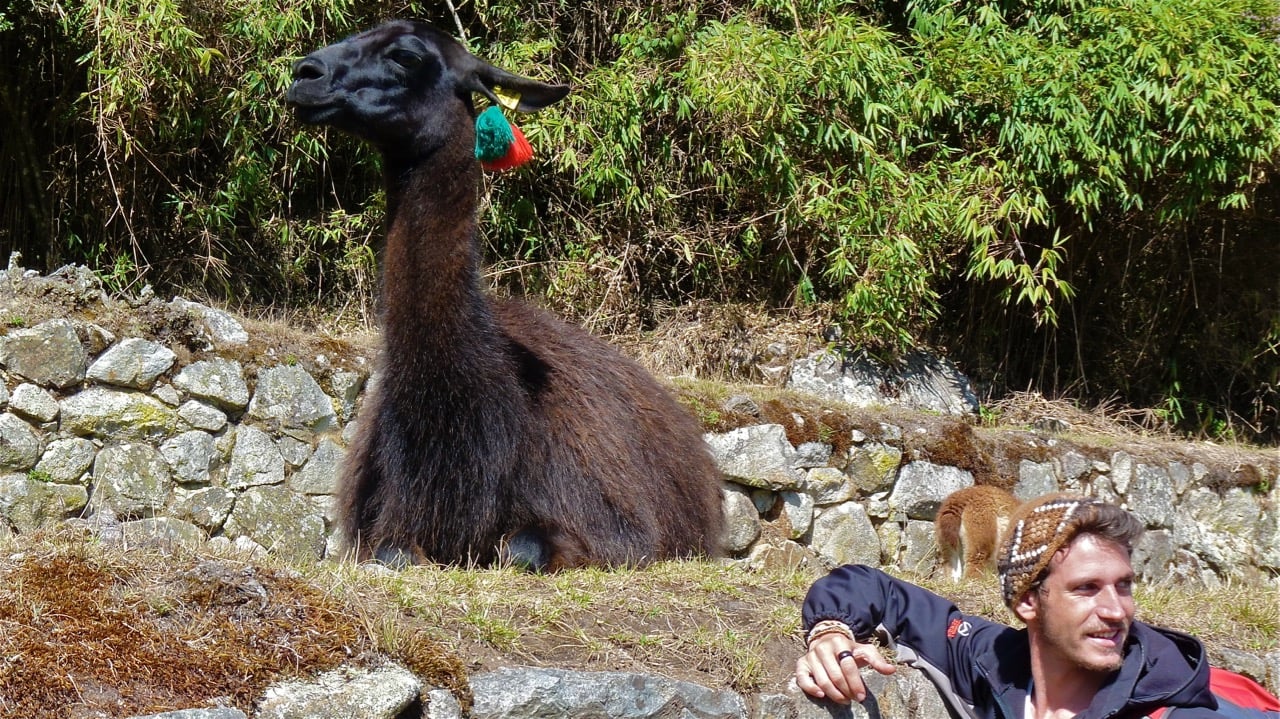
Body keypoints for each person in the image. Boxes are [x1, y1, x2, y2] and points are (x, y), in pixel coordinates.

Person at [794, 493, 1250, 719]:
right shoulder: (992, 664)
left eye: (1124, 586)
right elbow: (875, 587)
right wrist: (831, 630)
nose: (1116, 610)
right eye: (1087, 588)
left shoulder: (1176, 709)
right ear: (1028, 602)